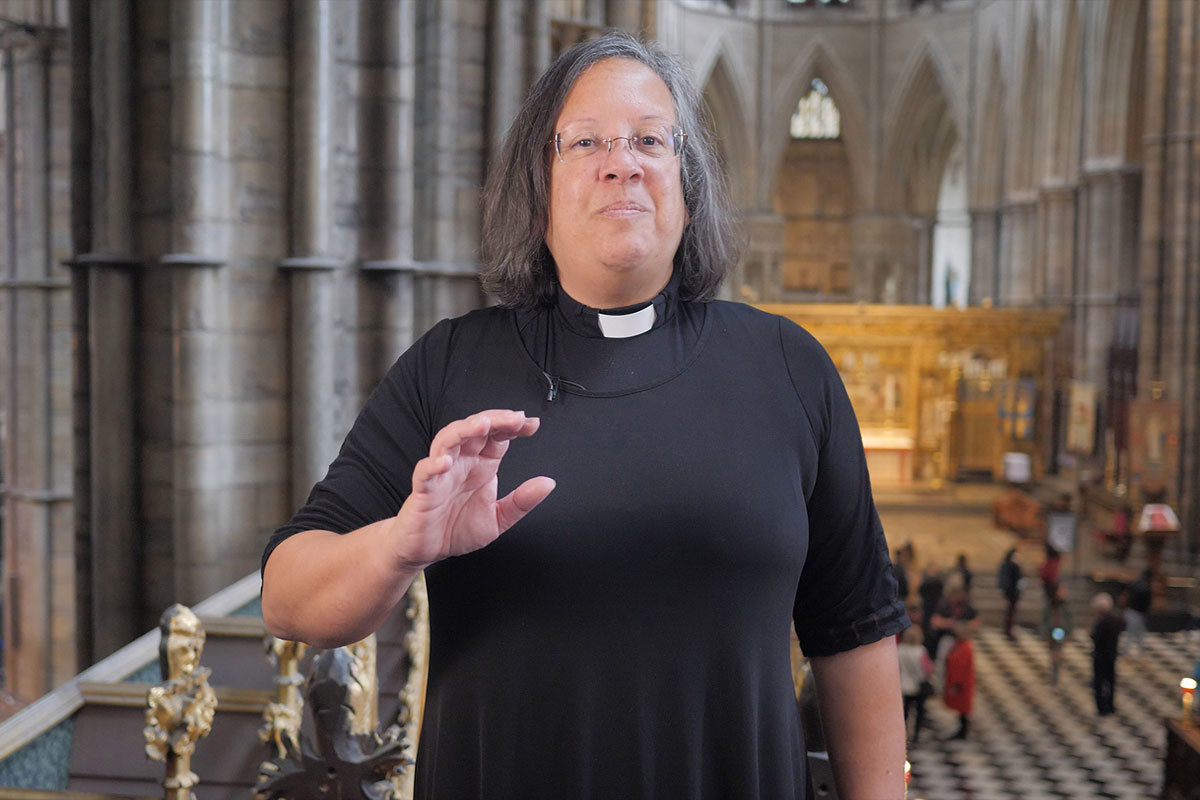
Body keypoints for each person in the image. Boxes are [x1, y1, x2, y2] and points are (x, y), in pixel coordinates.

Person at [259, 32, 908, 799]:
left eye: (649, 140)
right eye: (587, 141)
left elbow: (856, 635)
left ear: (687, 188)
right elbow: (287, 595)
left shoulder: (788, 368)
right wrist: (404, 542)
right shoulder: (451, 367)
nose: (621, 161)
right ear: (537, 192)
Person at [898, 624, 934, 744]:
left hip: (904, 686)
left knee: (905, 712)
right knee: (919, 712)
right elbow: (928, 670)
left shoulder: (900, 649)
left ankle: (902, 734)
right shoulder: (921, 651)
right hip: (918, 686)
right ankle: (916, 735)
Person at [1091, 592, 1125, 715]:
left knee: (1099, 684)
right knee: (1110, 682)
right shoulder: (1115, 620)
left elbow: (1095, 637)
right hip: (1112, 656)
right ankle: (1110, 706)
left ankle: (1102, 708)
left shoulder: (1102, 623)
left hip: (1101, 657)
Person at [942, 622, 976, 740]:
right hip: (958, 680)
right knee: (961, 709)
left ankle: (963, 732)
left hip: (962, 683)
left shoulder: (966, 648)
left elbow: (961, 666)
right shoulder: (959, 645)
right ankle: (962, 730)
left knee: (963, 709)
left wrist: (956, 683)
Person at [1040, 582, 1073, 685]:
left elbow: (1069, 620)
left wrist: (1068, 634)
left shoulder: (1065, 605)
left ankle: (1056, 675)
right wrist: (1045, 634)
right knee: (1053, 654)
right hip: (1051, 631)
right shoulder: (1050, 605)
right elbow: (1044, 620)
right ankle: (1053, 673)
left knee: (1058, 653)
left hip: (1061, 632)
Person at [1122, 567, 1153, 657]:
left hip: (1129, 611)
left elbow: (1126, 596)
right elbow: (1146, 603)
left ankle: (1140, 654)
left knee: (1135, 634)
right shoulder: (1146, 587)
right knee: (1135, 635)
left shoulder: (1134, 583)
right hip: (1138, 614)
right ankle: (1127, 654)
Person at [997, 547, 1023, 639]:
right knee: (1011, 612)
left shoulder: (1006, 565)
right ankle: (1009, 630)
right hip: (1012, 592)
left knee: (1010, 612)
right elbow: (1019, 579)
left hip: (1010, 591)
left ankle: (1008, 629)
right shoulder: (1013, 566)